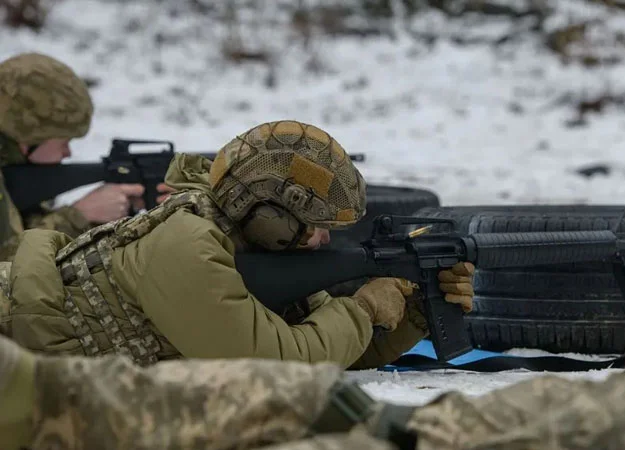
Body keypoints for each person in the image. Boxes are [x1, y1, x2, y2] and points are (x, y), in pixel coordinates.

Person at [0, 289, 625, 450]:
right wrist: (360, 309)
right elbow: (271, 354)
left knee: (359, 417)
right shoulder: (186, 246)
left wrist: (401, 316)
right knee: (369, 420)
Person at [0, 119, 475, 369]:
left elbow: (331, 351)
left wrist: (411, 309)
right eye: (313, 224)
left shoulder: (250, 247)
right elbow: (282, 365)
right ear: (268, 214)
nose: (326, 238)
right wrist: (362, 309)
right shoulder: (186, 245)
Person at [0, 52, 173, 261]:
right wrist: (78, 216)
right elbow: (10, 273)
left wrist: (105, 213)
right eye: (63, 142)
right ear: (28, 137)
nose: (68, 153)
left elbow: (18, 232)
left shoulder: (13, 166)